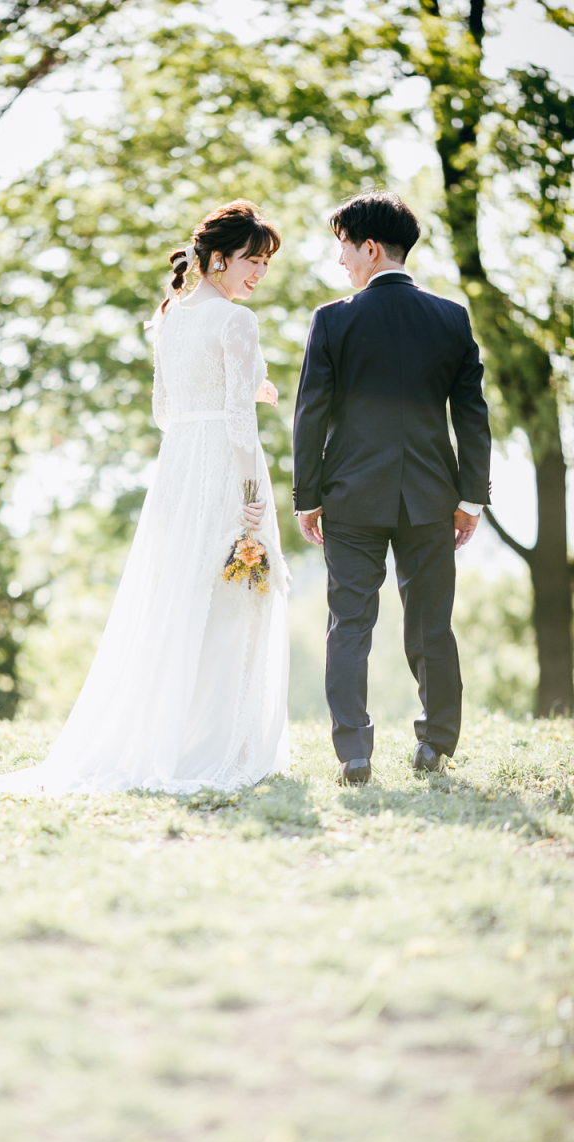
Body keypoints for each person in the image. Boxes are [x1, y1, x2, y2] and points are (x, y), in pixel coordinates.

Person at [0, 200, 290, 797]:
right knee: (233, 599)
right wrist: (252, 497)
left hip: (178, 469)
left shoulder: (172, 316)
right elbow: (236, 422)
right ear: (220, 257)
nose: (258, 273)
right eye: (252, 261)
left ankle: (174, 736)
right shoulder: (237, 322)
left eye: (264, 263)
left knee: (178, 599)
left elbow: (166, 411)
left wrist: (238, 391)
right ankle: (220, 745)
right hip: (226, 471)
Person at [293, 190, 491, 785]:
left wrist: (308, 497)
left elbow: (310, 415)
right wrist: (470, 497)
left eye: (344, 249)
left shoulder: (333, 319)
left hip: (350, 497)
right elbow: (473, 415)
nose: (341, 263)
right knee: (432, 624)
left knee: (348, 623)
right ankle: (435, 746)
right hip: (432, 499)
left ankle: (354, 753)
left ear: (370, 247)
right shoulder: (451, 317)